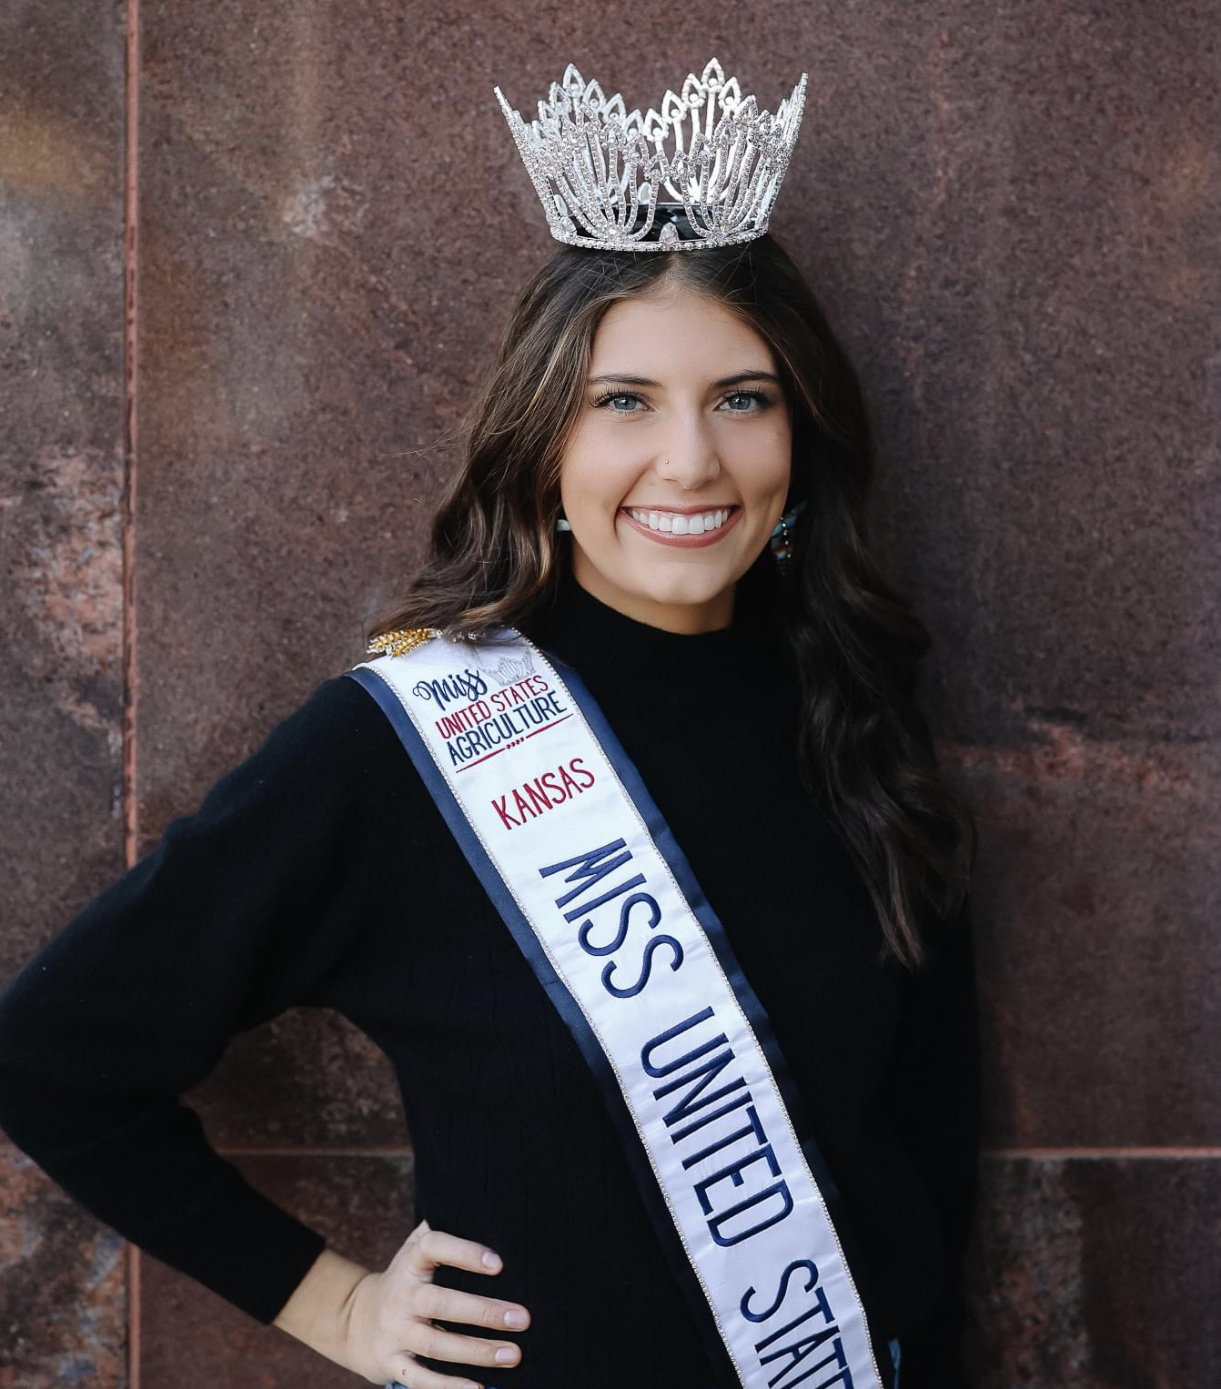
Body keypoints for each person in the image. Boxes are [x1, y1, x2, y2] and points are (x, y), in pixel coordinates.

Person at [0, 58, 980, 1389]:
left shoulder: (849, 714)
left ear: (799, 441)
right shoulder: (406, 750)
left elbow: (925, 1142)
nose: (689, 460)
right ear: (542, 445)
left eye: (740, 398)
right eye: (622, 400)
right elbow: (52, 1053)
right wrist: (331, 1303)